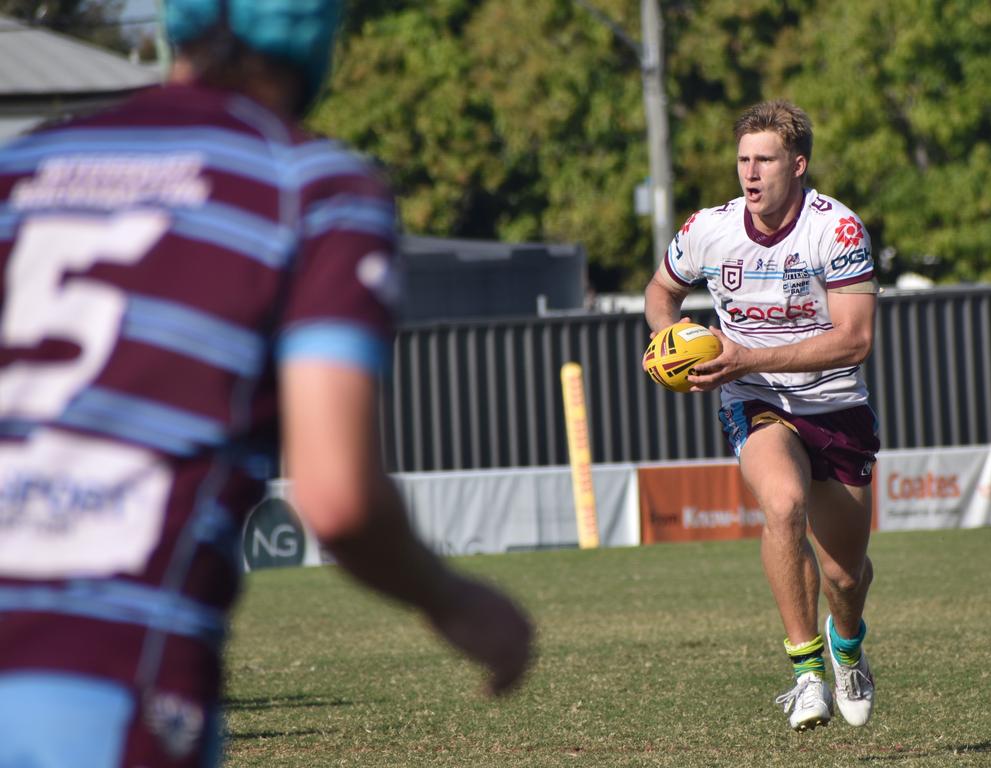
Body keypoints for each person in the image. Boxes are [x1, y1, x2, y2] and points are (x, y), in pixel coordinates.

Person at [0, 2, 532, 765]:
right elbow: (337, 496)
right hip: (108, 677)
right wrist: (453, 601)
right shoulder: (310, 186)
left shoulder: (22, 163)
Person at [644, 100, 879, 732]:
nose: (750, 173)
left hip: (835, 403)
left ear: (797, 165)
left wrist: (748, 355)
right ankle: (807, 674)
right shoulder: (707, 229)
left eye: (765, 159)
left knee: (844, 574)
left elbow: (855, 340)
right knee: (781, 506)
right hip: (757, 399)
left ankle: (848, 647)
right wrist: (670, 340)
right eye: (743, 159)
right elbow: (660, 290)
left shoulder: (838, 229)